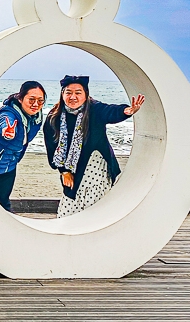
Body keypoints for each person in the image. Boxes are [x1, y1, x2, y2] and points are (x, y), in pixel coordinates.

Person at [44, 75, 145, 218]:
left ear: (86, 94)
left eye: (78, 93)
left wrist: (126, 111)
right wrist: (64, 171)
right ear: (62, 94)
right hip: (72, 169)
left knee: (96, 206)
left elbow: (110, 111)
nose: (73, 97)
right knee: (70, 202)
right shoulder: (54, 117)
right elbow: (52, 148)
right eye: (68, 92)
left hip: (96, 165)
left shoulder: (95, 109)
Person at [0, 81, 47, 211]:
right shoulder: (9, 113)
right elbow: (4, 121)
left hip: (9, 162)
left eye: (40, 100)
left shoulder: (36, 117)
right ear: (20, 98)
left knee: (4, 201)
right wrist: (7, 130)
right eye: (31, 99)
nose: (36, 104)